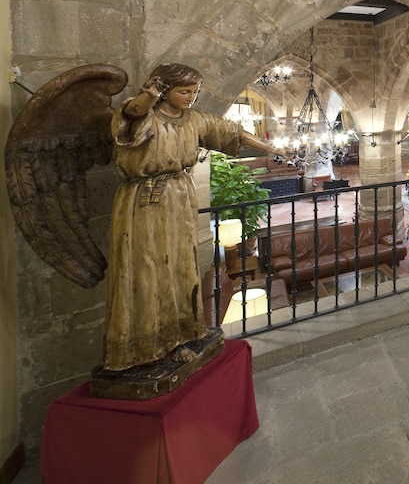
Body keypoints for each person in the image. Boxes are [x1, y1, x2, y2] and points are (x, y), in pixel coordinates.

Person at [103, 63, 280, 371]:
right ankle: (143, 349)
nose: (191, 98)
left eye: (195, 92)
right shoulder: (144, 115)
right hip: (145, 201)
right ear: (164, 90)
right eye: (184, 91)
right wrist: (149, 96)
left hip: (180, 197)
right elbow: (131, 115)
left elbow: (230, 132)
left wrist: (270, 147)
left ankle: (182, 336)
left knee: (181, 267)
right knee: (146, 268)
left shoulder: (194, 119)